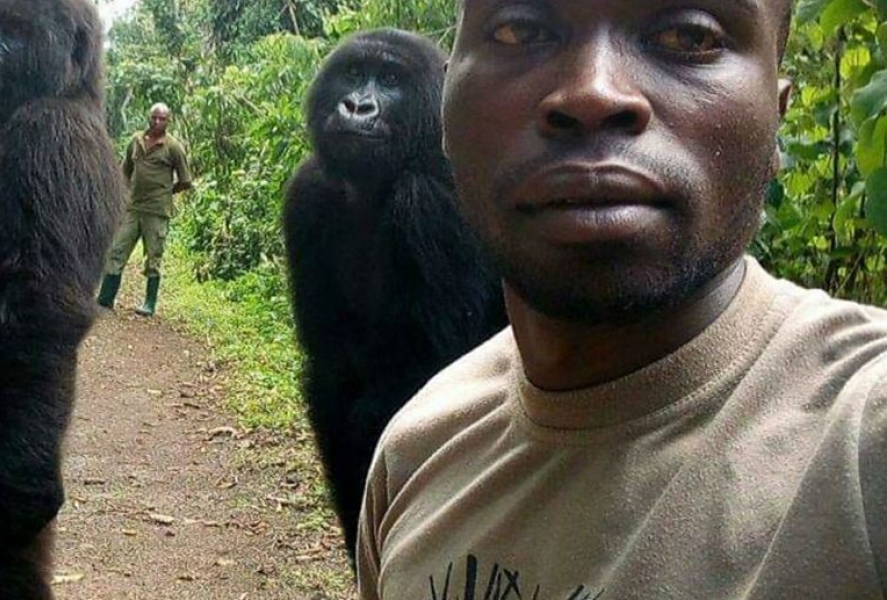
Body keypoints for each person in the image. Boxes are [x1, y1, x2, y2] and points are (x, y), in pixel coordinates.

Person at [357, 1, 887, 598]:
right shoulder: (419, 454)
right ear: (447, 112)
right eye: (519, 29)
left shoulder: (862, 436)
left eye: (690, 35)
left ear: (776, 120)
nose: (592, 92)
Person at [97, 102, 193, 316]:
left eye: (162, 119)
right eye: (154, 118)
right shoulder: (136, 141)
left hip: (157, 212)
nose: (157, 122)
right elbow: (124, 172)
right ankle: (105, 299)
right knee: (116, 251)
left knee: (153, 256)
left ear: (169, 121)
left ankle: (149, 303)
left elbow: (186, 180)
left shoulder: (173, 147)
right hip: (132, 208)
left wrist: (166, 192)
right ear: (149, 118)